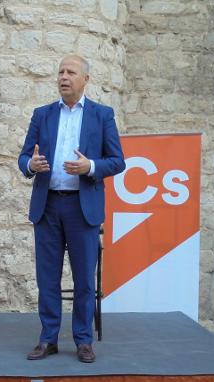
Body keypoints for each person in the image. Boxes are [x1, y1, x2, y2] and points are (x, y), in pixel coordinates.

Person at [18, 55, 126, 363]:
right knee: (47, 278)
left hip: (83, 208)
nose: (64, 77)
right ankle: (48, 338)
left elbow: (117, 161)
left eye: (71, 72)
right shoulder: (42, 115)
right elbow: (24, 156)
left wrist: (89, 165)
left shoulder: (102, 115)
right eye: (61, 72)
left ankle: (83, 340)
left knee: (84, 279)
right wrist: (31, 164)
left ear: (85, 80)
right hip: (48, 205)